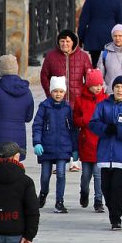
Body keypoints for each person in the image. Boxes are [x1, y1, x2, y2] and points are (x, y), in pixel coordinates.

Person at [89, 75, 122, 231]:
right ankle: (112, 209)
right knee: (105, 186)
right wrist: (106, 129)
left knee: (117, 185)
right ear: (112, 88)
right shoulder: (103, 105)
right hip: (105, 154)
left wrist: (119, 130)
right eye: (117, 87)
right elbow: (93, 124)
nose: (120, 90)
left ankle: (116, 218)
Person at [0, 54, 35, 168]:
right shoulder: (26, 91)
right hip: (16, 143)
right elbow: (28, 117)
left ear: (0, 69)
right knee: (13, 174)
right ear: (16, 68)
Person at [31, 76, 78, 213]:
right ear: (51, 92)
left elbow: (73, 129)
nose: (58, 94)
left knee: (61, 174)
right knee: (45, 176)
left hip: (63, 147)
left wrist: (75, 148)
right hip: (47, 147)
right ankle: (43, 193)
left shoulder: (68, 108)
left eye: (61, 91)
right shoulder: (44, 107)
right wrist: (37, 142)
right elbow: (37, 125)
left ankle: (60, 201)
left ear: (64, 93)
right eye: (55, 91)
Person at [72, 69, 107, 212]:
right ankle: (84, 192)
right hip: (86, 144)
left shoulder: (105, 100)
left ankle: (98, 201)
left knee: (98, 175)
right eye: (95, 85)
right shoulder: (80, 100)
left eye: (100, 84)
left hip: (100, 144)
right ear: (89, 85)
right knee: (86, 175)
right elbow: (75, 120)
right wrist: (85, 120)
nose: (98, 87)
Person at [77, 0, 122, 66]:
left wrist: (81, 37)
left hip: (93, 37)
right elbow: (121, 21)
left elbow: (83, 19)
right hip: (111, 38)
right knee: (111, 65)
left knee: (95, 65)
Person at [38, 30, 93, 110]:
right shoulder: (50, 56)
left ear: (73, 42)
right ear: (58, 42)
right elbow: (44, 76)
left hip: (77, 103)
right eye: (62, 41)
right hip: (57, 102)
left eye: (68, 41)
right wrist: (50, 93)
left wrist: (82, 93)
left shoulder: (83, 56)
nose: (64, 44)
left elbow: (90, 77)